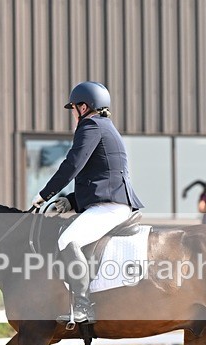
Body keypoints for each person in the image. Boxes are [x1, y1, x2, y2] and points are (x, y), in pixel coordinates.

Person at [32, 81, 143, 325]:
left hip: (110, 206)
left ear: (83, 107)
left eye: (73, 108)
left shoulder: (90, 125)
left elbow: (73, 165)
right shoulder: (104, 127)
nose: (73, 114)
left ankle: (83, 307)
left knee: (67, 240)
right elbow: (100, 176)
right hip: (110, 201)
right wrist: (70, 201)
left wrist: (44, 195)